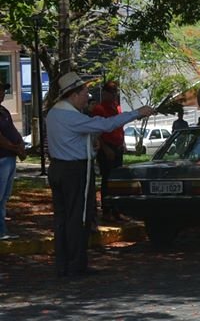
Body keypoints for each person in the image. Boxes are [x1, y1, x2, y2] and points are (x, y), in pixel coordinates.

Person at [45, 72, 155, 277]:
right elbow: (106, 124)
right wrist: (137, 113)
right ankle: (76, 265)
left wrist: (91, 142)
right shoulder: (71, 116)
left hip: (58, 168)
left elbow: (76, 137)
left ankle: (63, 264)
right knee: (78, 217)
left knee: (62, 218)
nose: (87, 97)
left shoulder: (54, 113)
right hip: (74, 171)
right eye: (85, 93)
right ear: (74, 94)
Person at [90, 80, 125, 222]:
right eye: (111, 92)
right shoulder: (99, 109)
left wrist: (123, 143)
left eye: (115, 92)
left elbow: (120, 127)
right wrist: (105, 148)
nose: (114, 95)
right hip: (107, 147)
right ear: (105, 93)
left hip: (118, 146)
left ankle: (117, 210)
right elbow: (97, 132)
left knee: (117, 180)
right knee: (107, 179)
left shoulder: (117, 107)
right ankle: (106, 210)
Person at [0, 81, 27, 240]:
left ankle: (2, 229)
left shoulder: (4, 111)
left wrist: (20, 145)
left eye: (3, 90)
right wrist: (15, 148)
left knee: (4, 196)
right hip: (2, 158)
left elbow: (13, 131)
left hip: (9, 158)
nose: (2, 93)